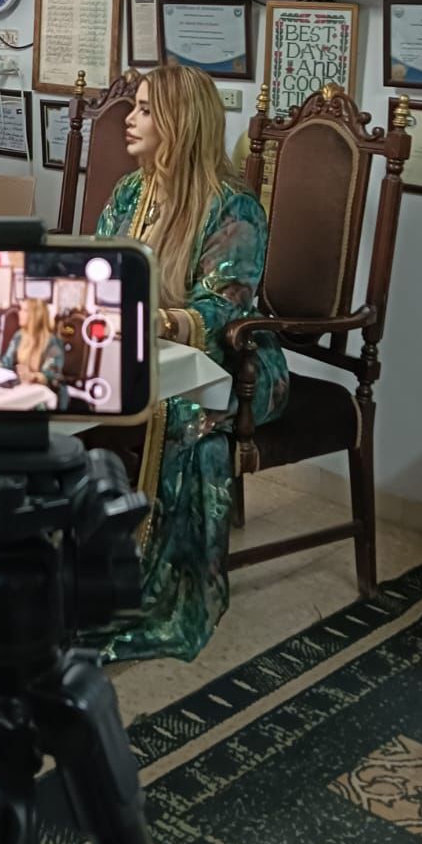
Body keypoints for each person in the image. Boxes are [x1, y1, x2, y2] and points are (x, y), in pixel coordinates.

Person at [90, 63, 289, 662]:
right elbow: (102, 272)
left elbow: (226, 310)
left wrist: (162, 321)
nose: (129, 119)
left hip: (236, 364)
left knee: (179, 415)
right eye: (134, 106)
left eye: (146, 109)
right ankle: (75, 556)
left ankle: (156, 588)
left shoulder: (234, 207)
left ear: (182, 123)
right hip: (144, 350)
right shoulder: (132, 191)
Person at [0, 299, 68, 411]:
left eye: (24, 310)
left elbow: (51, 375)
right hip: (25, 388)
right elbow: (6, 362)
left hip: (48, 393)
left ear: (36, 316)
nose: (19, 313)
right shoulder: (19, 336)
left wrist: (32, 377)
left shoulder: (53, 343)